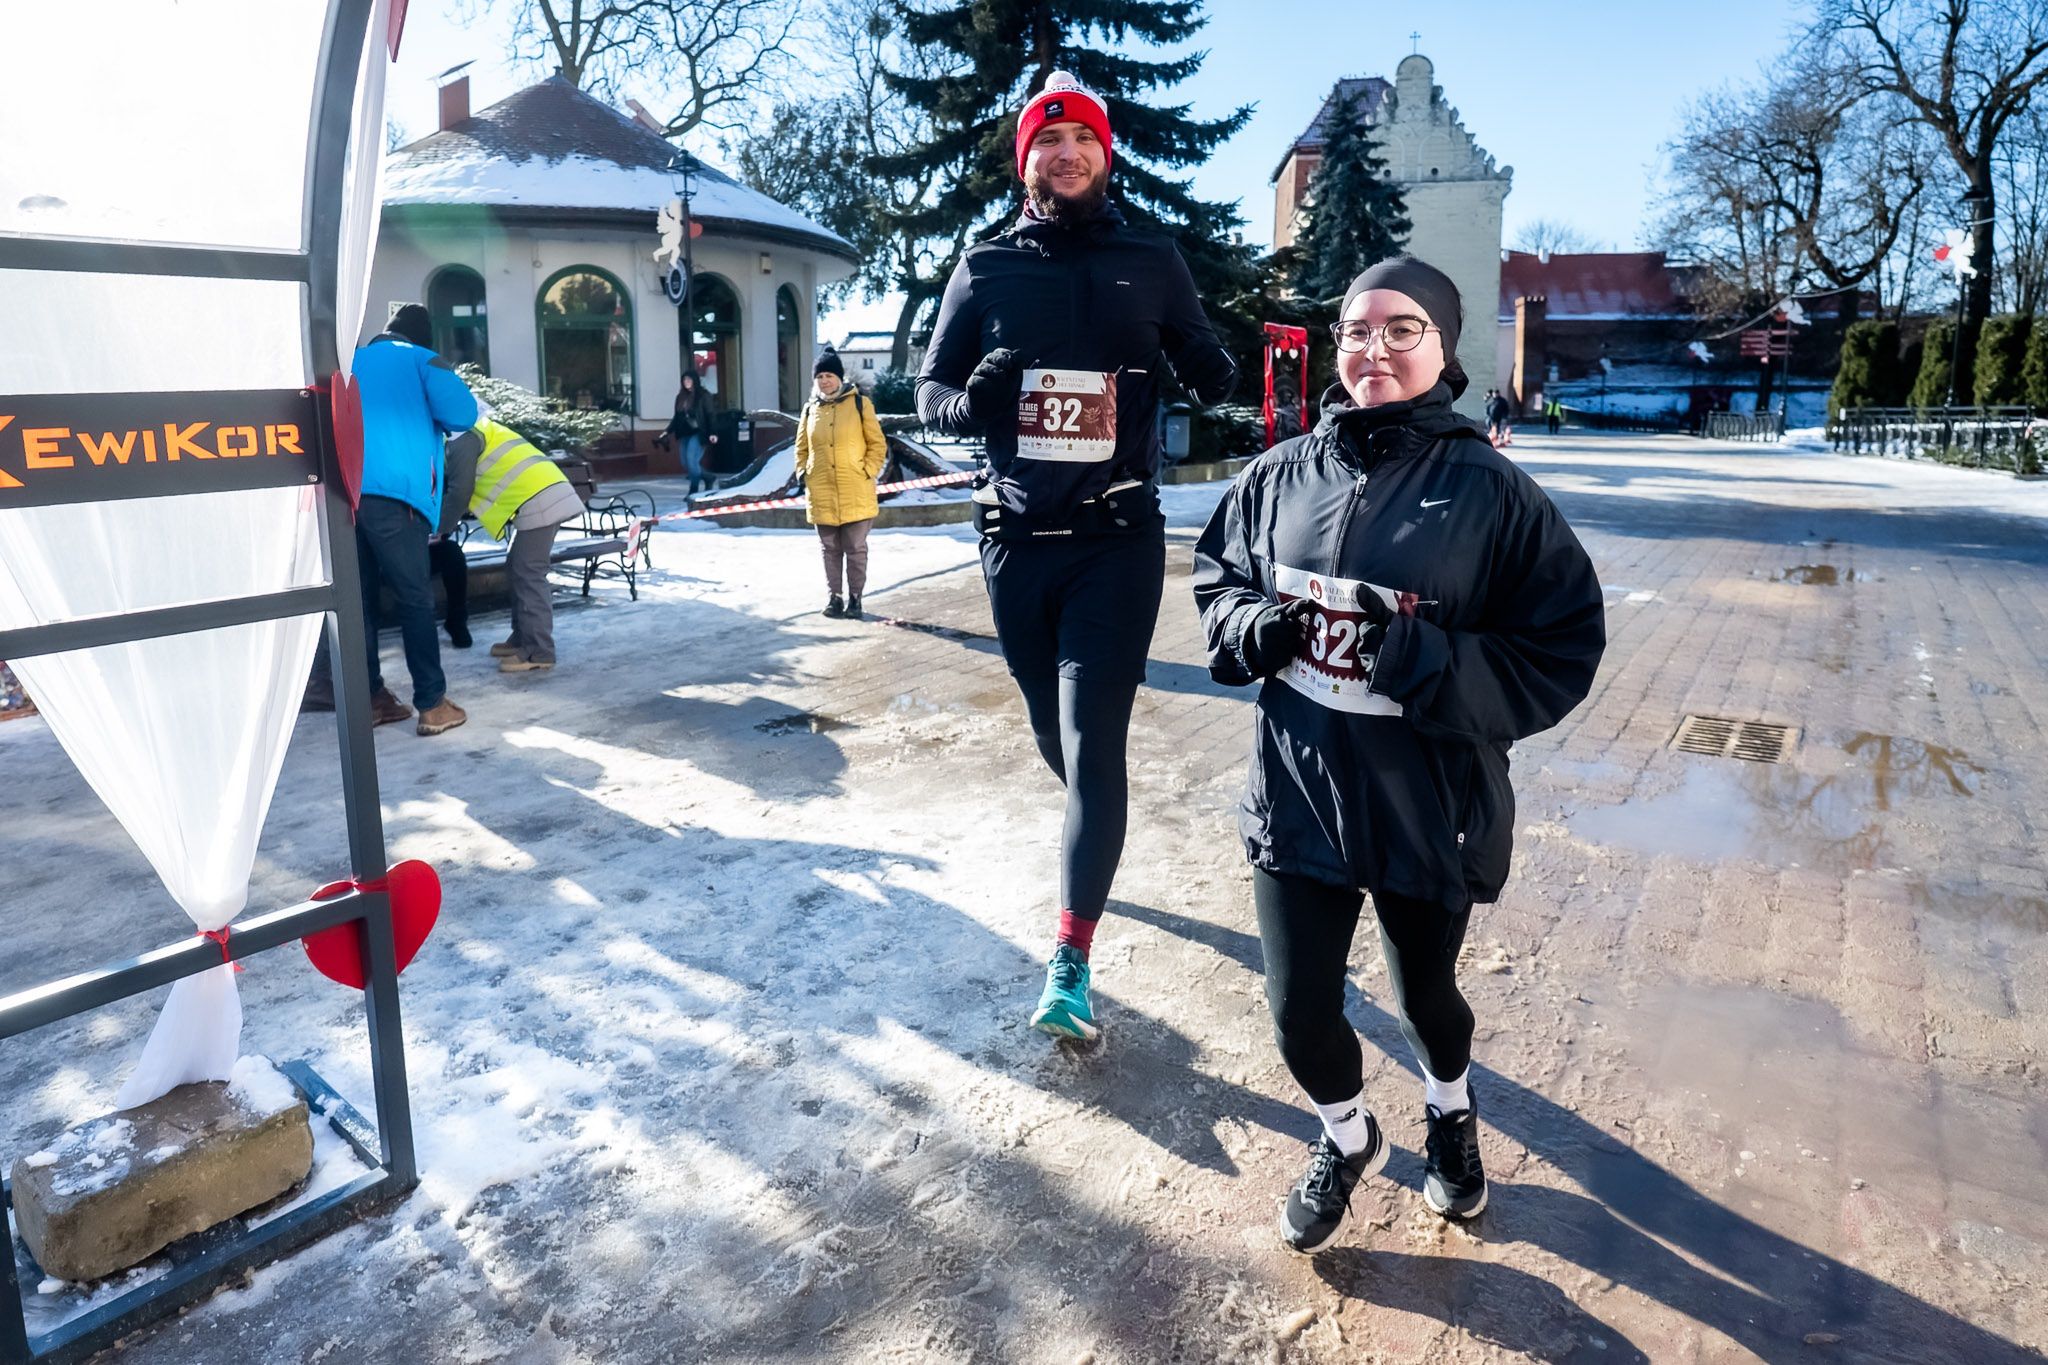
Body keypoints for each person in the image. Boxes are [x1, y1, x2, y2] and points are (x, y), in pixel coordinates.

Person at [1193, 256, 1604, 1254]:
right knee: (1295, 1011)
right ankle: (1345, 1135)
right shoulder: (1278, 474)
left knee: (1426, 999)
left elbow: (1561, 645)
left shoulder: (1493, 493)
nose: (1373, 348)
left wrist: (1422, 656)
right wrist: (1248, 627)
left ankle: (1450, 1114)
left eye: (1401, 328)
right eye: (1356, 330)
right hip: (1299, 792)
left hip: (1429, 800)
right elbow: (1218, 578)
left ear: (1443, 346)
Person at [918, 70, 1237, 1041]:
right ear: (1028, 162)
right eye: (1047, 144)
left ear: (1105, 155)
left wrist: (1211, 368)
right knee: (1052, 737)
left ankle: (1069, 960)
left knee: (1095, 740)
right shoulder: (983, 266)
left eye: (1082, 143)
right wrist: (970, 401)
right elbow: (929, 393)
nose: (1065, 157)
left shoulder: (1152, 258)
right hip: (1014, 545)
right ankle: (1089, 835)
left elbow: (1207, 361)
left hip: (1117, 540)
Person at [307, 303, 478, 734]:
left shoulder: (349, 362)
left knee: (360, 600)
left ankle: (372, 699)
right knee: (414, 596)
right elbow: (463, 414)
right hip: (396, 496)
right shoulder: (423, 359)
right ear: (421, 338)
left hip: (343, 494)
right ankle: (433, 703)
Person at [442, 414, 585, 672]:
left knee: (528, 572)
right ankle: (522, 638)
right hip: (541, 494)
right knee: (517, 568)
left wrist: (441, 528)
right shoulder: (473, 426)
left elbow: (460, 491)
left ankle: (539, 651)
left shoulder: (460, 434)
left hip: (539, 498)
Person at [794, 349, 887, 620]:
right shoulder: (810, 410)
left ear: (839, 377)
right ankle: (834, 598)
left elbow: (877, 444)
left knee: (855, 549)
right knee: (829, 550)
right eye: (820, 376)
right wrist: (804, 473)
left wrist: (866, 470)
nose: (824, 381)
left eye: (829, 375)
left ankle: (855, 598)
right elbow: (800, 448)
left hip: (855, 490)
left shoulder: (860, 404)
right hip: (821, 491)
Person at [662, 370, 718, 497]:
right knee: (685, 462)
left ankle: (693, 489)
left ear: (695, 380)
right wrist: (667, 431)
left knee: (691, 460)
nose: (686, 382)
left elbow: (711, 415)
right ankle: (708, 477)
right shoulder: (680, 397)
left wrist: (713, 433)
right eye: (684, 380)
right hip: (684, 432)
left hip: (699, 432)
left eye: (689, 380)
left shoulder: (703, 395)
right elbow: (677, 418)